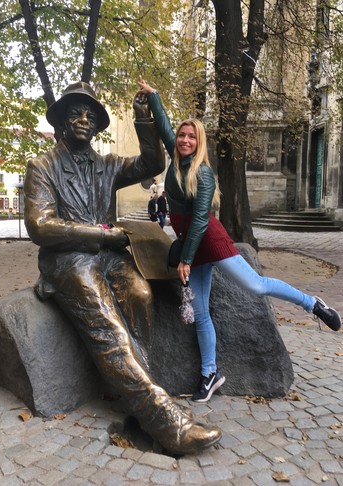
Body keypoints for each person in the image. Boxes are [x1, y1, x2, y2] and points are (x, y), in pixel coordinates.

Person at [24, 81, 222, 454]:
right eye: (74, 112)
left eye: (90, 114)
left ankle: (135, 391)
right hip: (68, 258)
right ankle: (164, 420)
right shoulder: (42, 167)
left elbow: (152, 163)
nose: (83, 119)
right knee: (110, 328)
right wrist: (100, 235)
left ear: (98, 124)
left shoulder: (106, 165)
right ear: (62, 122)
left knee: (141, 295)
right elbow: (40, 225)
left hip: (108, 255)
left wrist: (143, 116)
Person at [137, 78, 342, 404]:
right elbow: (162, 125)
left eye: (192, 136)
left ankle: (313, 304)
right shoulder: (175, 162)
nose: (185, 139)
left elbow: (202, 221)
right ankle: (210, 374)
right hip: (192, 242)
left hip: (209, 239)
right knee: (201, 312)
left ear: (199, 142)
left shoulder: (202, 173)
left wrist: (186, 261)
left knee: (256, 285)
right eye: (182, 134)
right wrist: (154, 96)